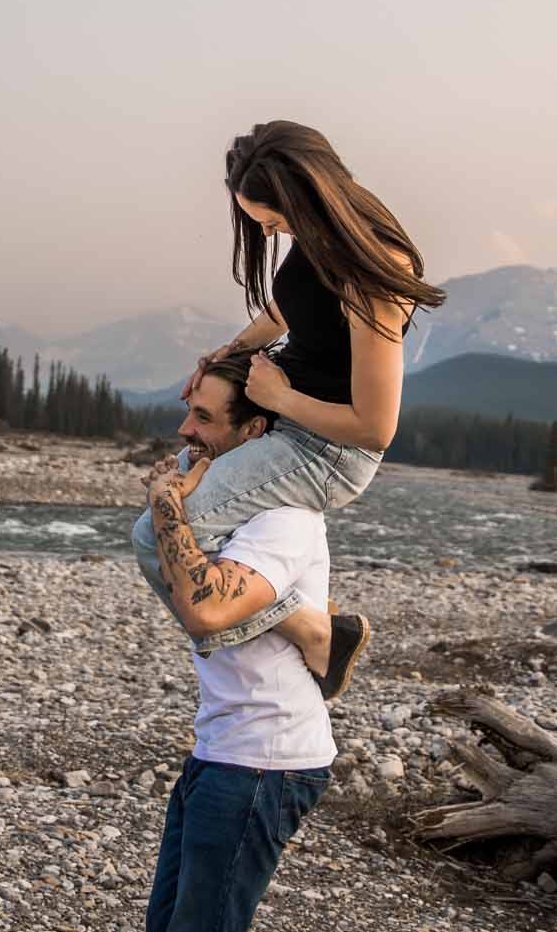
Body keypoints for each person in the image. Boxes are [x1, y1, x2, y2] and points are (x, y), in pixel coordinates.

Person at [84, 353, 394, 932]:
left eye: (206, 422)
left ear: (255, 435)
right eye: (187, 416)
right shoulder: (231, 504)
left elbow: (207, 609)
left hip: (266, 763)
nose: (185, 432)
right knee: (173, 927)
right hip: (223, 751)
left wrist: (163, 505)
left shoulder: (284, 519)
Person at [132, 120, 444, 700]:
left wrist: (279, 398)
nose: (269, 232)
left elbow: (375, 429)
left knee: (157, 534)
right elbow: (287, 306)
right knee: (167, 499)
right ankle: (306, 624)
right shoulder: (321, 237)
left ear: (304, 198)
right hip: (282, 421)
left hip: (327, 451)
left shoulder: (374, 274)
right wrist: (233, 350)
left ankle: (315, 634)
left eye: (273, 221)